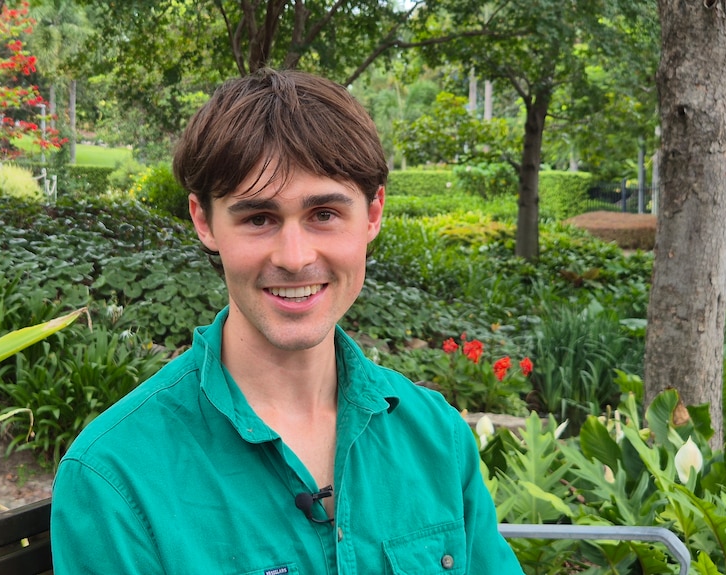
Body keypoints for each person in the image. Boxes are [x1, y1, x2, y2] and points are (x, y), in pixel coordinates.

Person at [51, 68, 524, 574]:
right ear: (204, 221)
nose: (295, 257)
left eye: (324, 213)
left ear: (373, 214)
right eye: (259, 218)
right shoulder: (115, 476)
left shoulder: (438, 438)